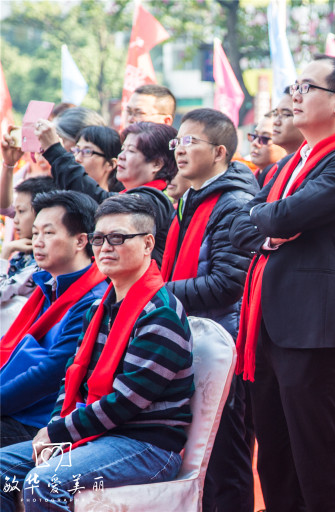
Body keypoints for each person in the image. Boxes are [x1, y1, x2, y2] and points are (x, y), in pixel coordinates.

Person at [230, 55, 335, 512]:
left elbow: (286, 215)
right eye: (295, 86)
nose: (295, 95)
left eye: (306, 87)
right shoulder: (288, 164)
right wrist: (268, 220)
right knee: (274, 457)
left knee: (318, 457)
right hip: (267, 325)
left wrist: (268, 219)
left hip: (310, 327)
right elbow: (242, 228)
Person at [0, 194, 193, 512]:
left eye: (118, 238)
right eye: (100, 238)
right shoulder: (98, 308)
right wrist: (53, 428)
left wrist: (57, 432)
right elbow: (71, 379)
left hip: (145, 445)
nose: (105, 247)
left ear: (147, 244)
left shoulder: (161, 313)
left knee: (43, 481)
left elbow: (126, 402)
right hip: (100, 434)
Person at [165, 107, 259, 512]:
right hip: (194, 335)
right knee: (200, 455)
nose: (180, 151)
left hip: (222, 342)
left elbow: (227, 284)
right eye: (177, 141)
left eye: (190, 142)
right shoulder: (193, 196)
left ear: (220, 151)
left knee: (224, 456)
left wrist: (157, 293)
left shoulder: (233, 201)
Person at [0, 191, 106, 447]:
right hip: (17, 409)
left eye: (48, 233)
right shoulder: (48, 287)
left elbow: (52, 372)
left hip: (42, 422)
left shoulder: (92, 299)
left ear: (81, 241)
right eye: (35, 233)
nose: (38, 241)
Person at [39, 121, 177, 265]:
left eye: (131, 151)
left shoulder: (154, 200)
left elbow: (101, 201)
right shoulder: (128, 194)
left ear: (156, 164)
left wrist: (55, 151)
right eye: (122, 149)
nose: (121, 156)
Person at [0, 178, 57, 311]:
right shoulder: (24, 252)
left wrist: (5, 253)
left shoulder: (43, 260)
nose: (15, 220)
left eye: (21, 211)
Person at [71, 126, 123, 192]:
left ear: (111, 164)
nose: (77, 158)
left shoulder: (113, 201)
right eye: (77, 150)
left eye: (87, 152)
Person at [249, 113, 287, 187]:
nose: (255, 143)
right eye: (254, 136)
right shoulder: (249, 178)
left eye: (265, 138)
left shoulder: (286, 181)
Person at [271, 86, 304, 155]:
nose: (276, 122)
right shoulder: (281, 164)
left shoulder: (324, 162)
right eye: (275, 114)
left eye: (286, 114)